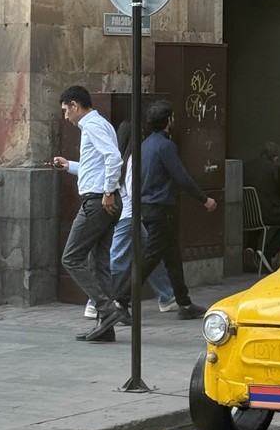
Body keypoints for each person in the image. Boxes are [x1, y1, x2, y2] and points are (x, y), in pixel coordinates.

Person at [121, 100, 214, 320]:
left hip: (148, 207)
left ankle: (184, 302)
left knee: (172, 256)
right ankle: (121, 299)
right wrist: (204, 199)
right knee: (151, 258)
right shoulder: (166, 146)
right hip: (161, 208)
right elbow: (181, 176)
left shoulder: (145, 145)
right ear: (169, 121)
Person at [53, 85, 125, 344]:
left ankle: (106, 310)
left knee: (71, 258)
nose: (66, 117)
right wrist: (69, 165)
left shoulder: (92, 126)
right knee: (99, 263)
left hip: (98, 202)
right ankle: (106, 328)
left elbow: (113, 159)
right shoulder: (100, 125)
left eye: (65, 111)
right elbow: (95, 165)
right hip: (104, 200)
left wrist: (107, 191)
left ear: (74, 105)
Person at [107, 122, 178, 317]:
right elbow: (132, 190)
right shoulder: (131, 158)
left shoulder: (117, 156)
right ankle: (101, 300)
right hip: (131, 215)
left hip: (130, 215)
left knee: (150, 257)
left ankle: (167, 296)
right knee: (120, 258)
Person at [242, 141, 280, 266]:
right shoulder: (275, 169)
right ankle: (267, 255)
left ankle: (250, 248)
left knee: (257, 216)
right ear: (275, 158)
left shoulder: (245, 166)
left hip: (247, 214)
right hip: (268, 214)